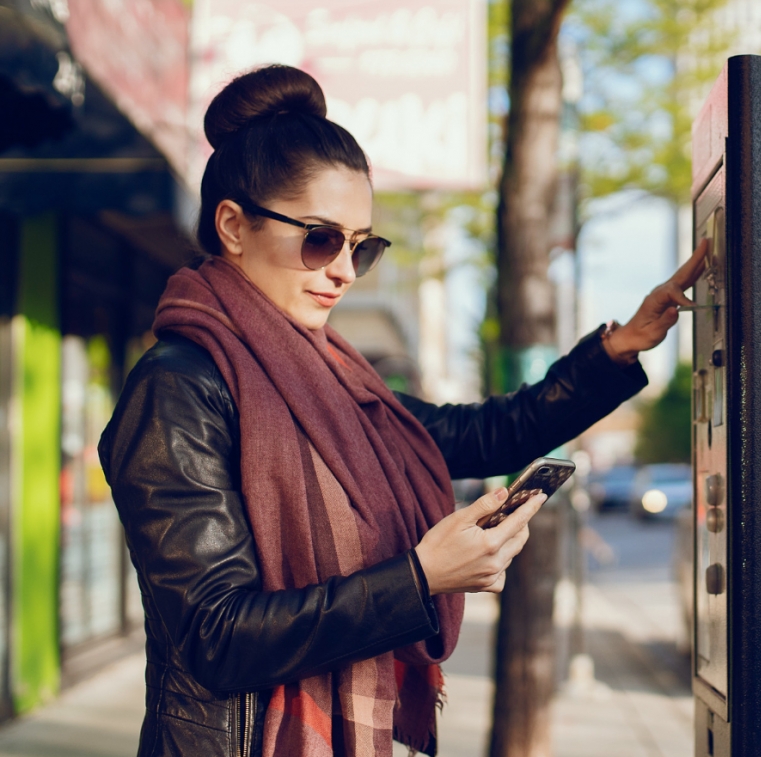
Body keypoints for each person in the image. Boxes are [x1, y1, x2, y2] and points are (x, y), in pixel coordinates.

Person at [98, 65, 707, 757]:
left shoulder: (334, 377)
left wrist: (618, 348)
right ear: (233, 226)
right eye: (321, 238)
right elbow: (217, 633)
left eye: (363, 246)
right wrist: (419, 578)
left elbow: (479, 434)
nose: (345, 271)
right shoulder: (177, 388)